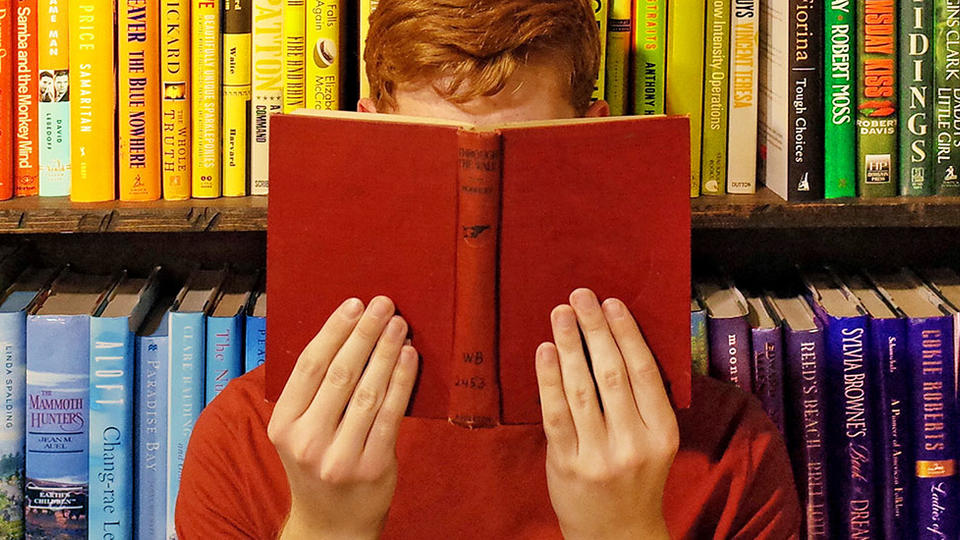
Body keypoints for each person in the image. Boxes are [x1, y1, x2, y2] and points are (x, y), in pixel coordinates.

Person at [175, 0, 802, 537]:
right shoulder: (249, 446)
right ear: (366, 143)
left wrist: (621, 528)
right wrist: (326, 526)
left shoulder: (728, 454)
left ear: (595, 147)